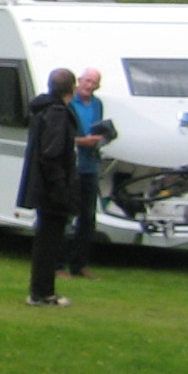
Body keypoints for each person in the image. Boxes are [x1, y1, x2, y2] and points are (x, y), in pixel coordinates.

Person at [17, 66, 80, 307]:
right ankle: (42, 292)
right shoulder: (57, 113)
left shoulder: (43, 109)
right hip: (51, 189)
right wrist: (60, 187)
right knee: (49, 242)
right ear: (72, 88)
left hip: (43, 186)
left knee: (46, 239)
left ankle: (41, 290)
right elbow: (51, 154)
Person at [65, 68, 106, 279]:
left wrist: (101, 138)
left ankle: (79, 263)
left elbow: (97, 129)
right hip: (72, 165)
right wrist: (82, 141)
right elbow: (62, 136)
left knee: (88, 217)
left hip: (90, 165)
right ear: (79, 81)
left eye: (94, 82)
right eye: (87, 81)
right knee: (66, 216)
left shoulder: (97, 104)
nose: (90, 85)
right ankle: (58, 265)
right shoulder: (69, 104)